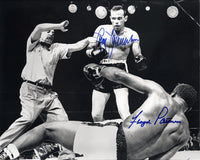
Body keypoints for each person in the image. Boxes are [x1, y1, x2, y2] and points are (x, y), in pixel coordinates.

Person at [0, 65, 197, 160]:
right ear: (189, 107)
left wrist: (100, 69)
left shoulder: (162, 95)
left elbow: (119, 75)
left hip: (114, 139)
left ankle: (5, 155)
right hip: (123, 158)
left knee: (46, 130)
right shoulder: (184, 135)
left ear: (174, 92)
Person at [0, 20, 93, 151]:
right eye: (48, 31)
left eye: (53, 33)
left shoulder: (56, 48)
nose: (51, 34)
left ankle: (54, 151)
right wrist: (59, 26)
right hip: (31, 90)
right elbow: (38, 27)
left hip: (49, 95)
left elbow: (76, 46)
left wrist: (88, 40)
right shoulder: (33, 45)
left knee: (62, 123)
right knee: (27, 119)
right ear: (41, 35)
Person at [84, 5, 147, 122]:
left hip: (120, 69)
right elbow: (88, 51)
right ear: (110, 18)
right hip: (102, 69)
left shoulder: (132, 34)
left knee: (124, 113)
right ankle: (103, 137)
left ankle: (129, 138)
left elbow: (137, 54)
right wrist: (93, 53)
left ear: (125, 18)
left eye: (119, 18)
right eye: (113, 18)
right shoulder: (101, 30)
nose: (116, 22)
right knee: (96, 115)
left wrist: (139, 59)